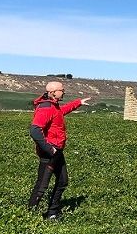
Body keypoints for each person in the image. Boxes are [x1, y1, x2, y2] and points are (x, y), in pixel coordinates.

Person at [28, 81, 91, 221]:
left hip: (57, 151)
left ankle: (52, 213)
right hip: (50, 153)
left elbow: (61, 111)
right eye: (61, 90)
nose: (64, 92)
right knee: (41, 186)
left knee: (62, 181)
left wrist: (78, 102)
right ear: (52, 92)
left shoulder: (54, 106)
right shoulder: (46, 107)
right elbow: (35, 130)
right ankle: (28, 216)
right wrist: (49, 149)